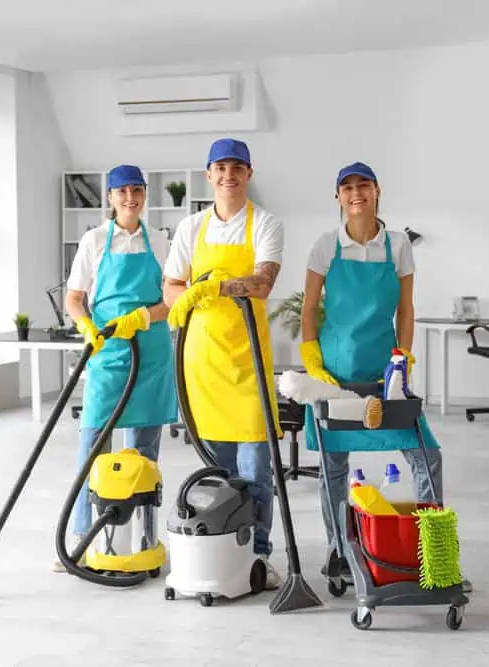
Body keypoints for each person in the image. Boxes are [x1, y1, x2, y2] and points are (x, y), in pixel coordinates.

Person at [300, 161, 443, 579]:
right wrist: (310, 355)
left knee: (426, 455)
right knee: (334, 466)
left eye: (363, 186)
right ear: (338, 197)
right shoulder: (327, 246)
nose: (356, 193)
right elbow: (309, 307)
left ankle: (429, 547)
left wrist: (404, 354)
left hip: (385, 375)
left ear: (377, 191)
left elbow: (406, 308)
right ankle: (338, 551)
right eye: (347, 187)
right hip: (335, 374)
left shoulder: (397, 245)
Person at [163, 138, 284, 590]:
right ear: (209, 175)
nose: (228, 175)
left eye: (237, 167)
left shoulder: (266, 224)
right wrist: (190, 292)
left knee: (256, 468)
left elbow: (263, 282)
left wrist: (214, 287)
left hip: (248, 361)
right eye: (220, 167)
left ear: (248, 174)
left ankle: (259, 556)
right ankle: (222, 553)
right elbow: (171, 289)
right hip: (203, 360)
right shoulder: (190, 228)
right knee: (217, 469)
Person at [53, 164, 177, 572]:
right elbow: (74, 297)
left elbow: (174, 299)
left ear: (145, 195)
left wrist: (143, 317)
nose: (130, 197)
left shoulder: (159, 241)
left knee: (145, 451)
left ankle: (142, 536)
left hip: (151, 352)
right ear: (110, 197)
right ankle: (81, 540)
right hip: (107, 355)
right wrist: (86, 325)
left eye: (137, 190)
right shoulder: (93, 241)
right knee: (93, 446)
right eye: (122, 191)